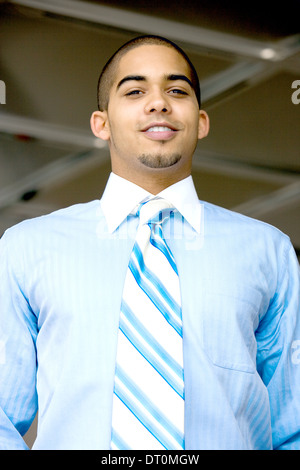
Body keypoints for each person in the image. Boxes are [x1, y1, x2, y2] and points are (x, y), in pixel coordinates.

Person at [0, 35, 299, 450]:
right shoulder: (25, 248)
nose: (159, 103)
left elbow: (294, 422)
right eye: (135, 90)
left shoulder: (269, 251)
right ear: (101, 123)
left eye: (177, 91)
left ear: (202, 121)